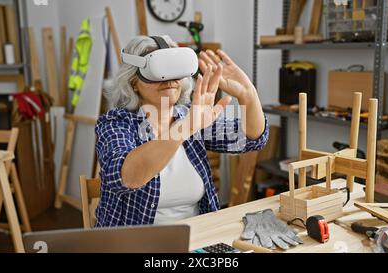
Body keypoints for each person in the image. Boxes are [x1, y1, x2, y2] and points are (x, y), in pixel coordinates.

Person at [95, 35, 268, 227]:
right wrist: (186, 126)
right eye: (158, 71)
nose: (168, 80)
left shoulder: (191, 114)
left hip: (196, 238)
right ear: (134, 82)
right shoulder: (116, 123)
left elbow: (251, 138)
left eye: (174, 71)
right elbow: (126, 178)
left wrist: (248, 94)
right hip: (134, 243)